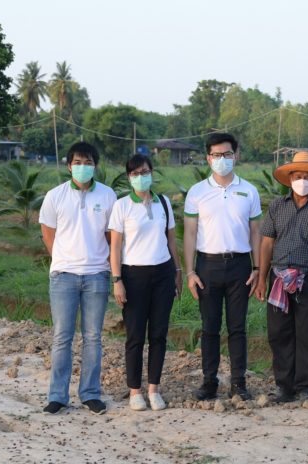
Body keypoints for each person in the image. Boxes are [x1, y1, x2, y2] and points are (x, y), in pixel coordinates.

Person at [39, 142, 117, 415]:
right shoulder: (55, 196)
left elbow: (112, 237)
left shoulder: (108, 196)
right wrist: (62, 259)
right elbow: (48, 232)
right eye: (78, 162)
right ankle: (57, 396)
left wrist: (109, 268)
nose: (83, 167)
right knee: (62, 336)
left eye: (88, 162)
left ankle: (90, 393)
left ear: (95, 165)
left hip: (97, 274)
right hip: (63, 276)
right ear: (69, 165)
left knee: (93, 337)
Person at [255, 151, 308, 403]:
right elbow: (267, 244)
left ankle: (306, 387)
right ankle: (284, 386)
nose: (303, 180)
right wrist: (261, 277)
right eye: (298, 176)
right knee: (279, 332)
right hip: (279, 277)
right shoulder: (276, 207)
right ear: (290, 178)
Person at [184, 133, 262, 401]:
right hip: (207, 265)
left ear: (236, 155)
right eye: (216, 155)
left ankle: (239, 383)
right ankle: (209, 382)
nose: (222, 159)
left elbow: (255, 232)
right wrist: (190, 272)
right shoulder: (197, 192)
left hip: (240, 265)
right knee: (210, 327)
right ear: (208, 158)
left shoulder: (248, 190)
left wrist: (258, 268)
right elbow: (191, 234)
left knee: (237, 327)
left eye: (227, 154)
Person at [109, 154, 182, 411]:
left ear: (152, 173)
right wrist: (117, 280)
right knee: (135, 335)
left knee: (159, 334)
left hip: (162, 273)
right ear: (129, 177)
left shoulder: (163, 203)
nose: (141, 177)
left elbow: (171, 240)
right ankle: (135, 391)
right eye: (135, 173)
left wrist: (177, 270)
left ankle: (154, 389)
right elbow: (115, 246)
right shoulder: (122, 206)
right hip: (133, 275)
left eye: (145, 172)